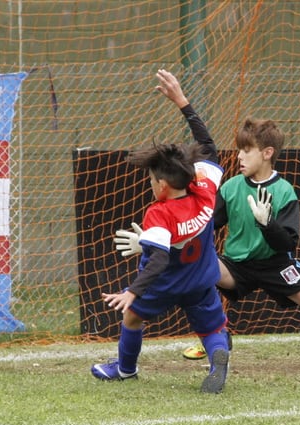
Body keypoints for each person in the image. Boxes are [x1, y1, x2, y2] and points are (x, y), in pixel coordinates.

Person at [116, 115, 300, 368]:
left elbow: (287, 243)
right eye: (238, 151)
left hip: (277, 266)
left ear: (267, 153)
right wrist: (153, 242)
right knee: (198, 271)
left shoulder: (284, 191)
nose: (238, 156)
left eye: (246, 151)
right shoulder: (232, 187)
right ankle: (214, 339)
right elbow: (202, 226)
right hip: (235, 267)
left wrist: (268, 224)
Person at [92, 69, 231, 394]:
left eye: (153, 181)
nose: (152, 184)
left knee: (132, 319)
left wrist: (133, 292)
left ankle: (125, 370)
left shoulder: (159, 213)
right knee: (211, 328)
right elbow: (208, 146)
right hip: (201, 279)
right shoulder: (204, 191)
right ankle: (217, 357)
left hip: (166, 284)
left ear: (164, 186)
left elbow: (156, 261)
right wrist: (183, 102)